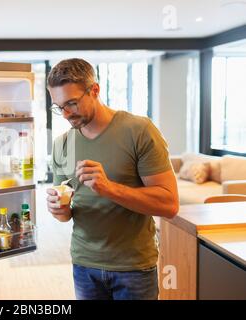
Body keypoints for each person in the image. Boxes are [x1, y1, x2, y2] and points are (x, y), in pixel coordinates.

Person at [46, 58, 179, 300]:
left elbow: (169, 205)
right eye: (59, 106)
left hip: (134, 267)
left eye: (72, 103)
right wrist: (58, 208)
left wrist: (108, 188)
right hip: (84, 265)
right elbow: (64, 215)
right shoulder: (62, 144)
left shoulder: (139, 131)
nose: (65, 114)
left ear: (94, 90)